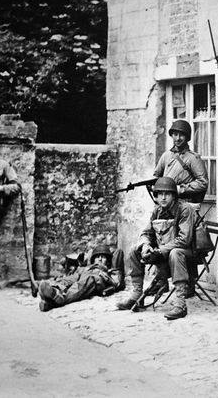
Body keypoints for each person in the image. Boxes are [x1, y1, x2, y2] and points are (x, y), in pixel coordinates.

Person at [116, 177, 197, 320]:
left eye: (167, 194)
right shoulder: (157, 211)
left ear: (173, 195)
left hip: (187, 252)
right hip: (164, 250)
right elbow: (147, 233)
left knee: (175, 252)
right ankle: (136, 295)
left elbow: (184, 239)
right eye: (160, 194)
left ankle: (180, 303)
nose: (163, 197)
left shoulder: (185, 210)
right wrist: (146, 246)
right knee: (134, 250)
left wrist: (160, 251)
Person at [37, 244, 125, 312]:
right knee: (68, 279)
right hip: (84, 272)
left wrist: (107, 276)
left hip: (97, 278)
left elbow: (117, 282)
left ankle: (61, 297)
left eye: (103, 257)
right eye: (98, 257)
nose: (100, 259)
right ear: (93, 259)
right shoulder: (87, 266)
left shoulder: (109, 271)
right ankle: (52, 293)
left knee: (82, 284)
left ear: (108, 261)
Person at [153, 119, 208, 203]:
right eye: (175, 134)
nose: (178, 138)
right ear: (172, 135)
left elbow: (203, 183)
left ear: (187, 137)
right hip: (166, 203)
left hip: (184, 203)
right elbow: (156, 177)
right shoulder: (166, 155)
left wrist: (181, 189)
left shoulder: (193, 158)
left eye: (182, 135)